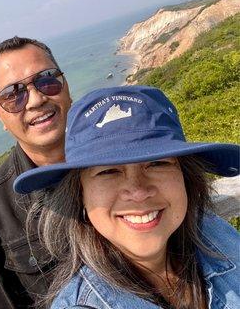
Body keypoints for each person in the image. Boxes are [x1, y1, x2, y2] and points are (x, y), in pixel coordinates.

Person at [14, 85, 240, 309]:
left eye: (157, 164)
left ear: (185, 177)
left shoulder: (214, 232)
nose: (138, 191)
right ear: (79, 195)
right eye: (108, 172)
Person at [0, 36, 72, 308]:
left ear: (66, 86)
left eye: (47, 79)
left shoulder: (118, 161)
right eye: (13, 94)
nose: (36, 99)